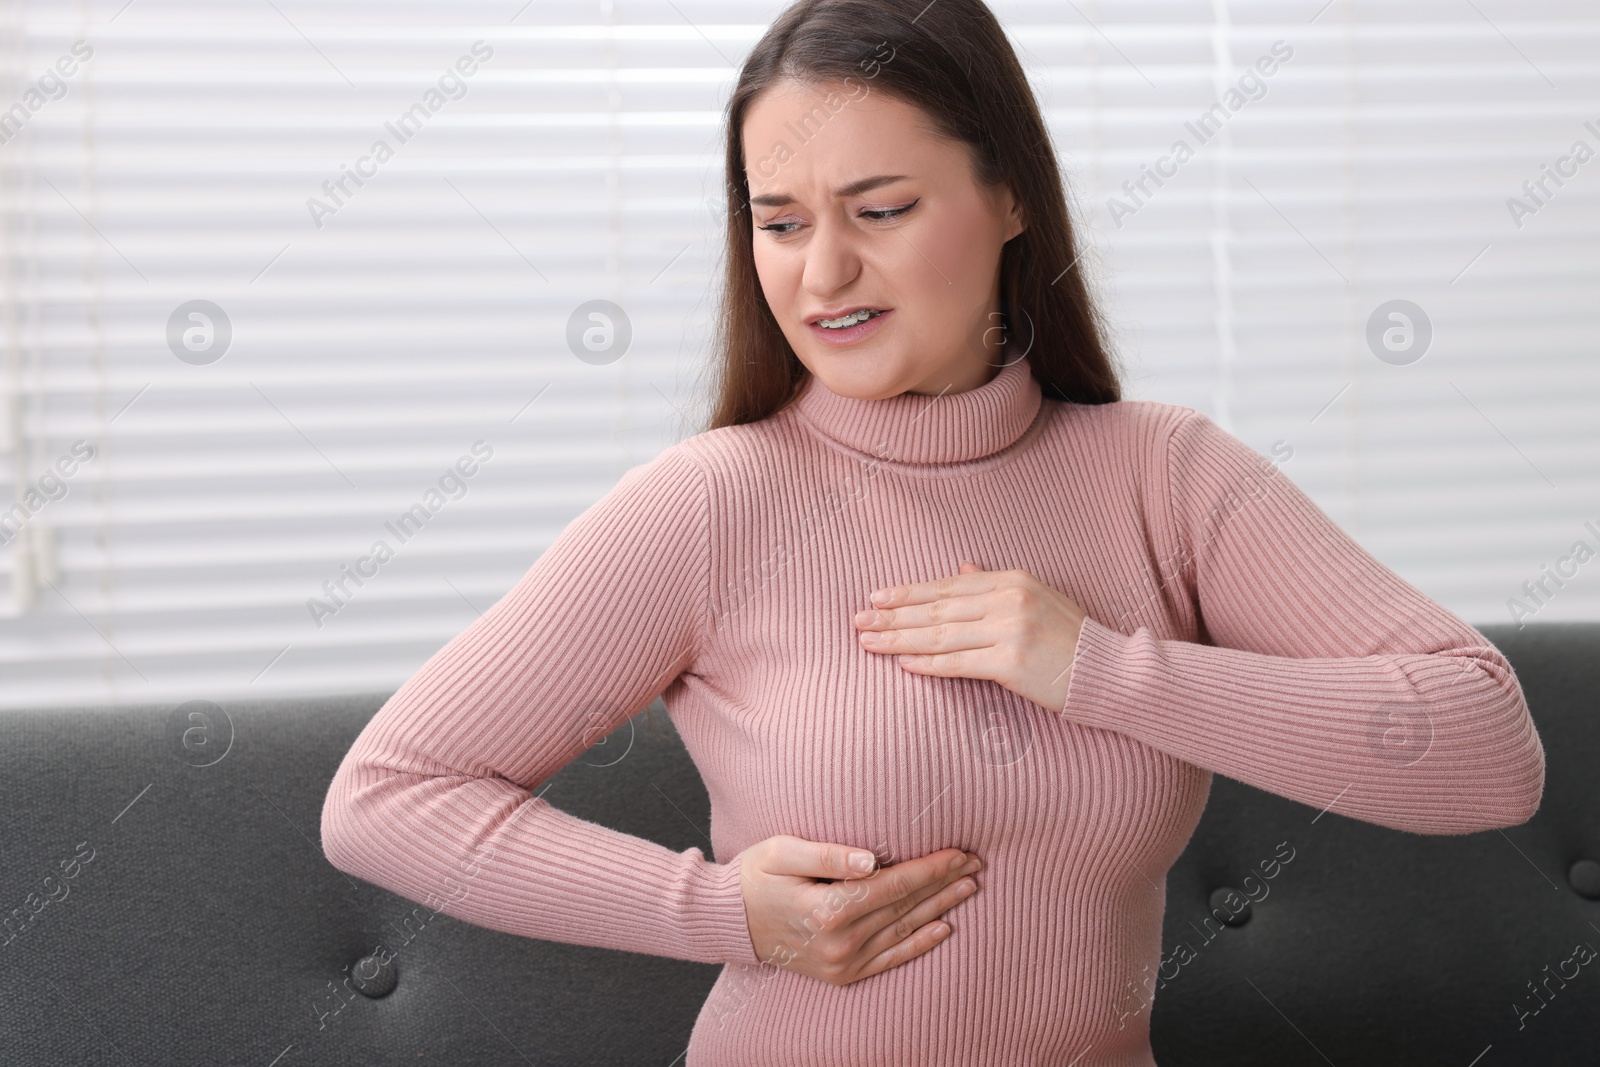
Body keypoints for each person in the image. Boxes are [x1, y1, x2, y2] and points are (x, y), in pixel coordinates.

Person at [320, 1, 1546, 1063]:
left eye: (882, 208)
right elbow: (385, 794)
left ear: (1010, 193)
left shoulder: (1161, 477)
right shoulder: (711, 503)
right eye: (782, 222)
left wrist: (1100, 670)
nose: (821, 275)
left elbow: (1489, 749)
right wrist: (720, 911)